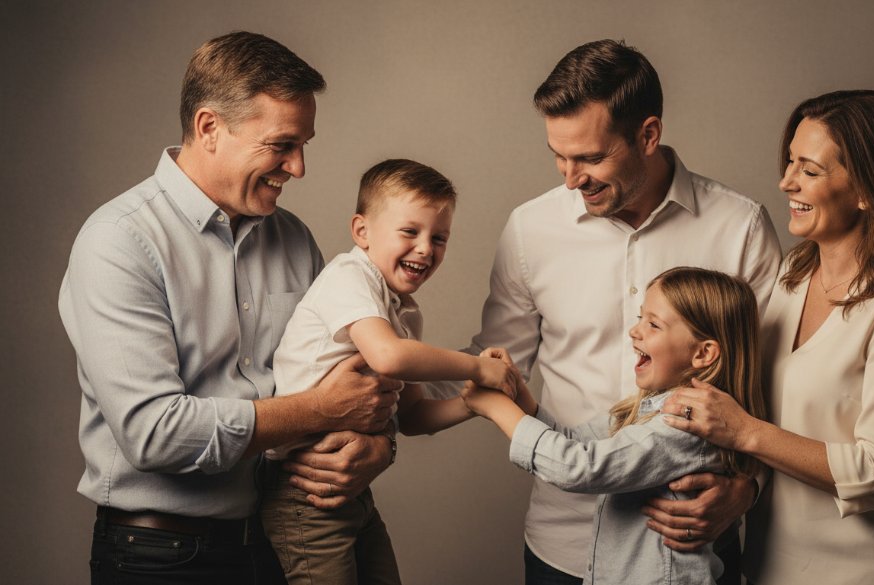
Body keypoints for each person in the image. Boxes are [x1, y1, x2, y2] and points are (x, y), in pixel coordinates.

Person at [287, 39, 782, 583]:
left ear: (648, 135)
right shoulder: (532, 228)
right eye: (559, 156)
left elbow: (771, 389)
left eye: (590, 158)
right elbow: (495, 364)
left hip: (686, 550)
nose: (570, 179)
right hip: (564, 543)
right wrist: (363, 424)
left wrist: (748, 488)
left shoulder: (740, 228)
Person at [58, 32, 400, 585]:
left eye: (303, 144)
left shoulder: (295, 239)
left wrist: (377, 447)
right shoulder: (118, 241)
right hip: (160, 558)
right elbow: (153, 432)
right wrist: (321, 410)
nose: (299, 167)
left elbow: (354, 383)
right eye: (282, 145)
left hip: (280, 542)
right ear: (209, 128)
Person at [662, 90, 874, 585]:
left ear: (867, 191)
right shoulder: (792, 277)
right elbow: (780, 424)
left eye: (810, 170)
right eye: (790, 161)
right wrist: (744, 487)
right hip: (773, 565)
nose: (786, 181)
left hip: (866, 572)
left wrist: (744, 431)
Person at [261, 159, 517, 585]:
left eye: (439, 238)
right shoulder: (349, 277)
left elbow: (411, 416)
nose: (425, 249)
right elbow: (388, 358)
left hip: (354, 489)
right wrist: (477, 366)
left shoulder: (404, 313)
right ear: (362, 231)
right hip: (305, 494)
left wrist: (472, 402)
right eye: (409, 231)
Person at [462, 267, 766, 585]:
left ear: (703, 353)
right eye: (640, 318)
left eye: (653, 324)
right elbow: (573, 440)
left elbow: (577, 467)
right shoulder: (653, 406)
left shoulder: (683, 426)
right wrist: (519, 398)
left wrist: (496, 408)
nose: (635, 331)